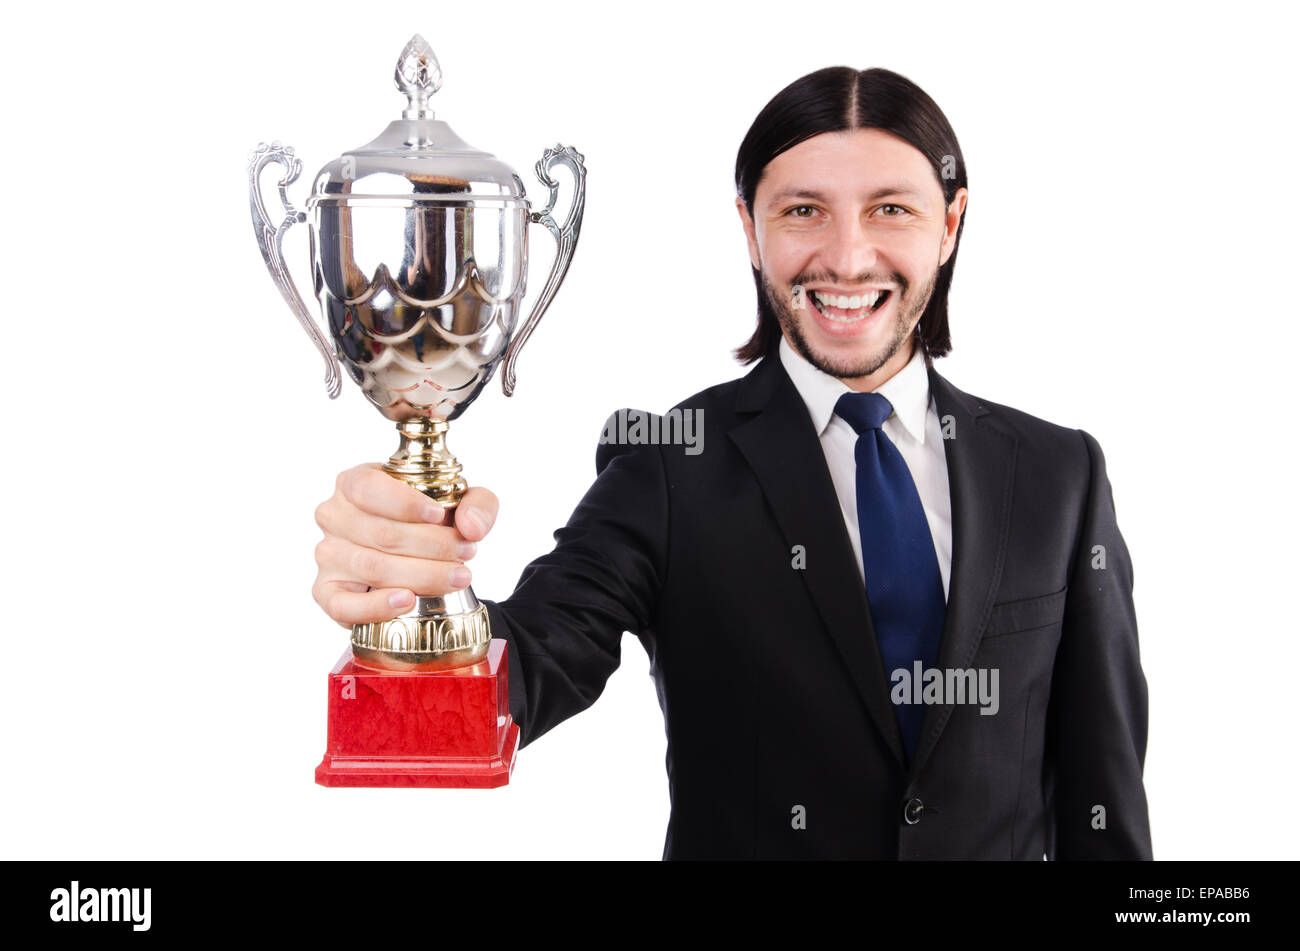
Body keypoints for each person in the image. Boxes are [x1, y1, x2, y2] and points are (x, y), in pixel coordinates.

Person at [311, 66, 1152, 860]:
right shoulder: (668, 465)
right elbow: (532, 661)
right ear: (750, 230)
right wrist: (416, 603)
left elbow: (1103, 803)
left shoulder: (1058, 475)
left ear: (952, 223)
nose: (848, 258)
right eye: (803, 211)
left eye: (891, 209)